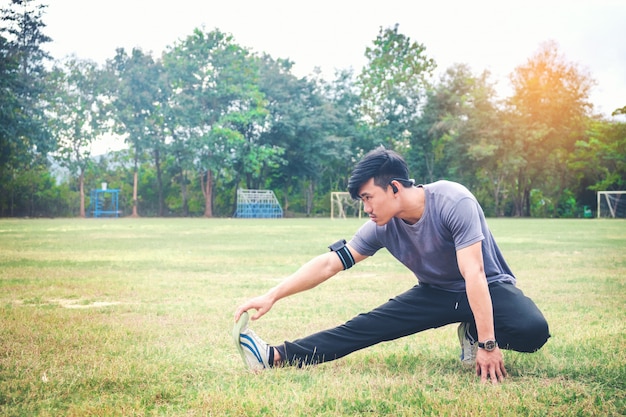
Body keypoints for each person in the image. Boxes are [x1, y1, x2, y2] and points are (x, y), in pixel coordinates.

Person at [233, 147, 550, 384]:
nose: (367, 208)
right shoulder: (381, 226)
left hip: (488, 287)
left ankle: (473, 331)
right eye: (362, 201)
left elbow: (474, 273)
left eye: (369, 197)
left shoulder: (454, 201)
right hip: (435, 294)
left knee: (533, 331)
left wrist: (488, 343)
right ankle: (274, 355)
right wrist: (272, 295)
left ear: (395, 187)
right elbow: (331, 263)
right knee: (364, 327)